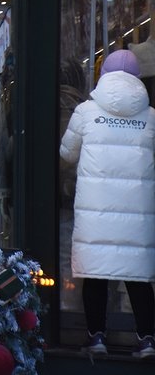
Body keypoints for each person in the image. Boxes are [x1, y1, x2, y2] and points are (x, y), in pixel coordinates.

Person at [59, 49, 155, 358]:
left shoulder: (86, 111)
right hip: (137, 210)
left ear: (103, 76)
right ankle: (147, 339)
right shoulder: (151, 117)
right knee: (137, 276)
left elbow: (66, 154)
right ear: (137, 80)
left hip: (95, 208)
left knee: (96, 273)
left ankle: (95, 336)